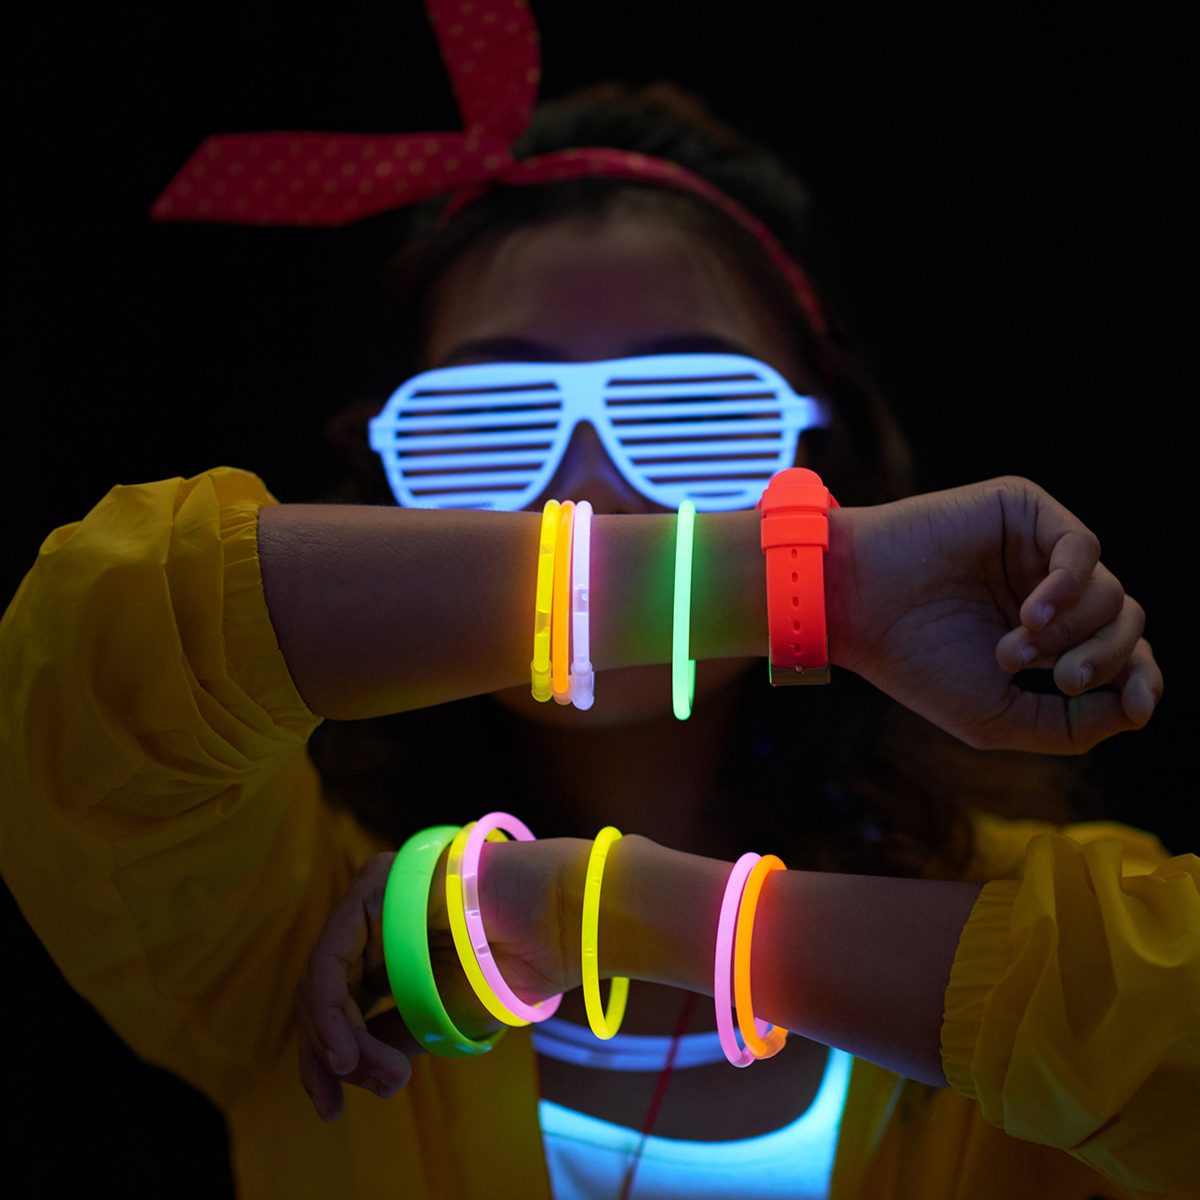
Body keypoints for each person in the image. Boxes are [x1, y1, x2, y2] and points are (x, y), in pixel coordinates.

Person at [1, 3, 1192, 1199]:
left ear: (828, 454)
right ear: (378, 488)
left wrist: (597, 909)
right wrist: (810, 582)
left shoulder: (1042, 925)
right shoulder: (295, 937)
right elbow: (96, 637)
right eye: (486, 424)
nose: (590, 491)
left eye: (692, 412)